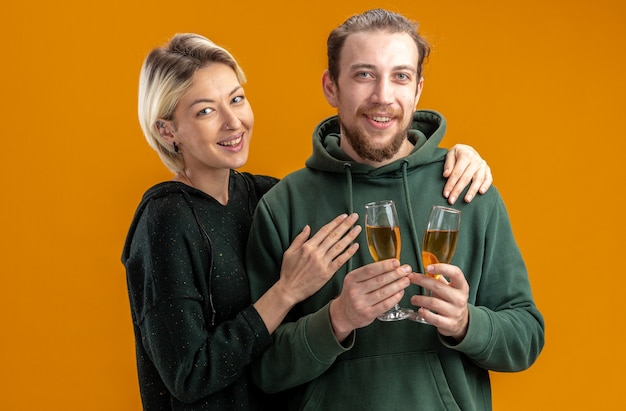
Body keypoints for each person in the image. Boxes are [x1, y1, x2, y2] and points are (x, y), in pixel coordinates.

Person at [121, 33, 493, 410]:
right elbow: (189, 374)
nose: (233, 122)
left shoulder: (263, 196)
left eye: (236, 99)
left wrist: (447, 156)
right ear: (166, 131)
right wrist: (286, 292)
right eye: (205, 111)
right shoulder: (165, 219)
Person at [246, 9, 545, 411]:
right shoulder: (283, 205)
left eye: (400, 76)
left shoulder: (469, 188)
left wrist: (465, 323)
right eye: (364, 74)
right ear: (331, 87)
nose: (383, 96)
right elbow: (259, 370)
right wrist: (335, 320)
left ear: (418, 89)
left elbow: (526, 338)